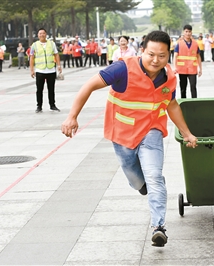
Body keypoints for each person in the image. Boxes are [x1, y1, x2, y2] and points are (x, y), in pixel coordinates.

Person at [61, 30, 198, 248]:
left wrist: (187, 132)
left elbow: (171, 104)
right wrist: (72, 116)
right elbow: (89, 85)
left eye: (162, 56)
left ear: (168, 55)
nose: (156, 60)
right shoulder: (122, 68)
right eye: (151, 54)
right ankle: (143, 185)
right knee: (137, 181)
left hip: (152, 131)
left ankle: (158, 227)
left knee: (154, 176)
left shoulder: (169, 76)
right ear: (143, 50)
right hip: (122, 134)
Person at [29, 27, 62, 113]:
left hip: (51, 70)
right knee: (39, 89)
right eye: (40, 33)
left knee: (51, 89)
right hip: (40, 71)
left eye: (43, 33)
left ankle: (52, 105)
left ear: (46, 34)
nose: (42, 35)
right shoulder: (34, 45)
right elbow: (31, 57)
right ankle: (39, 106)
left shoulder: (52, 44)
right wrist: (31, 70)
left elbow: (56, 54)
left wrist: (59, 65)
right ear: (38, 35)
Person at [173, 25, 202, 98]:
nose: (188, 33)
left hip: (192, 69)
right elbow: (175, 56)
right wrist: (174, 67)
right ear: (183, 32)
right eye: (186, 31)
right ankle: (183, 103)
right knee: (183, 88)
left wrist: (200, 69)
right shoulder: (179, 44)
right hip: (182, 69)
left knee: (193, 87)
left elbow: (198, 57)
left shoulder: (195, 44)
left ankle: (194, 103)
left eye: (189, 31)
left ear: (191, 32)